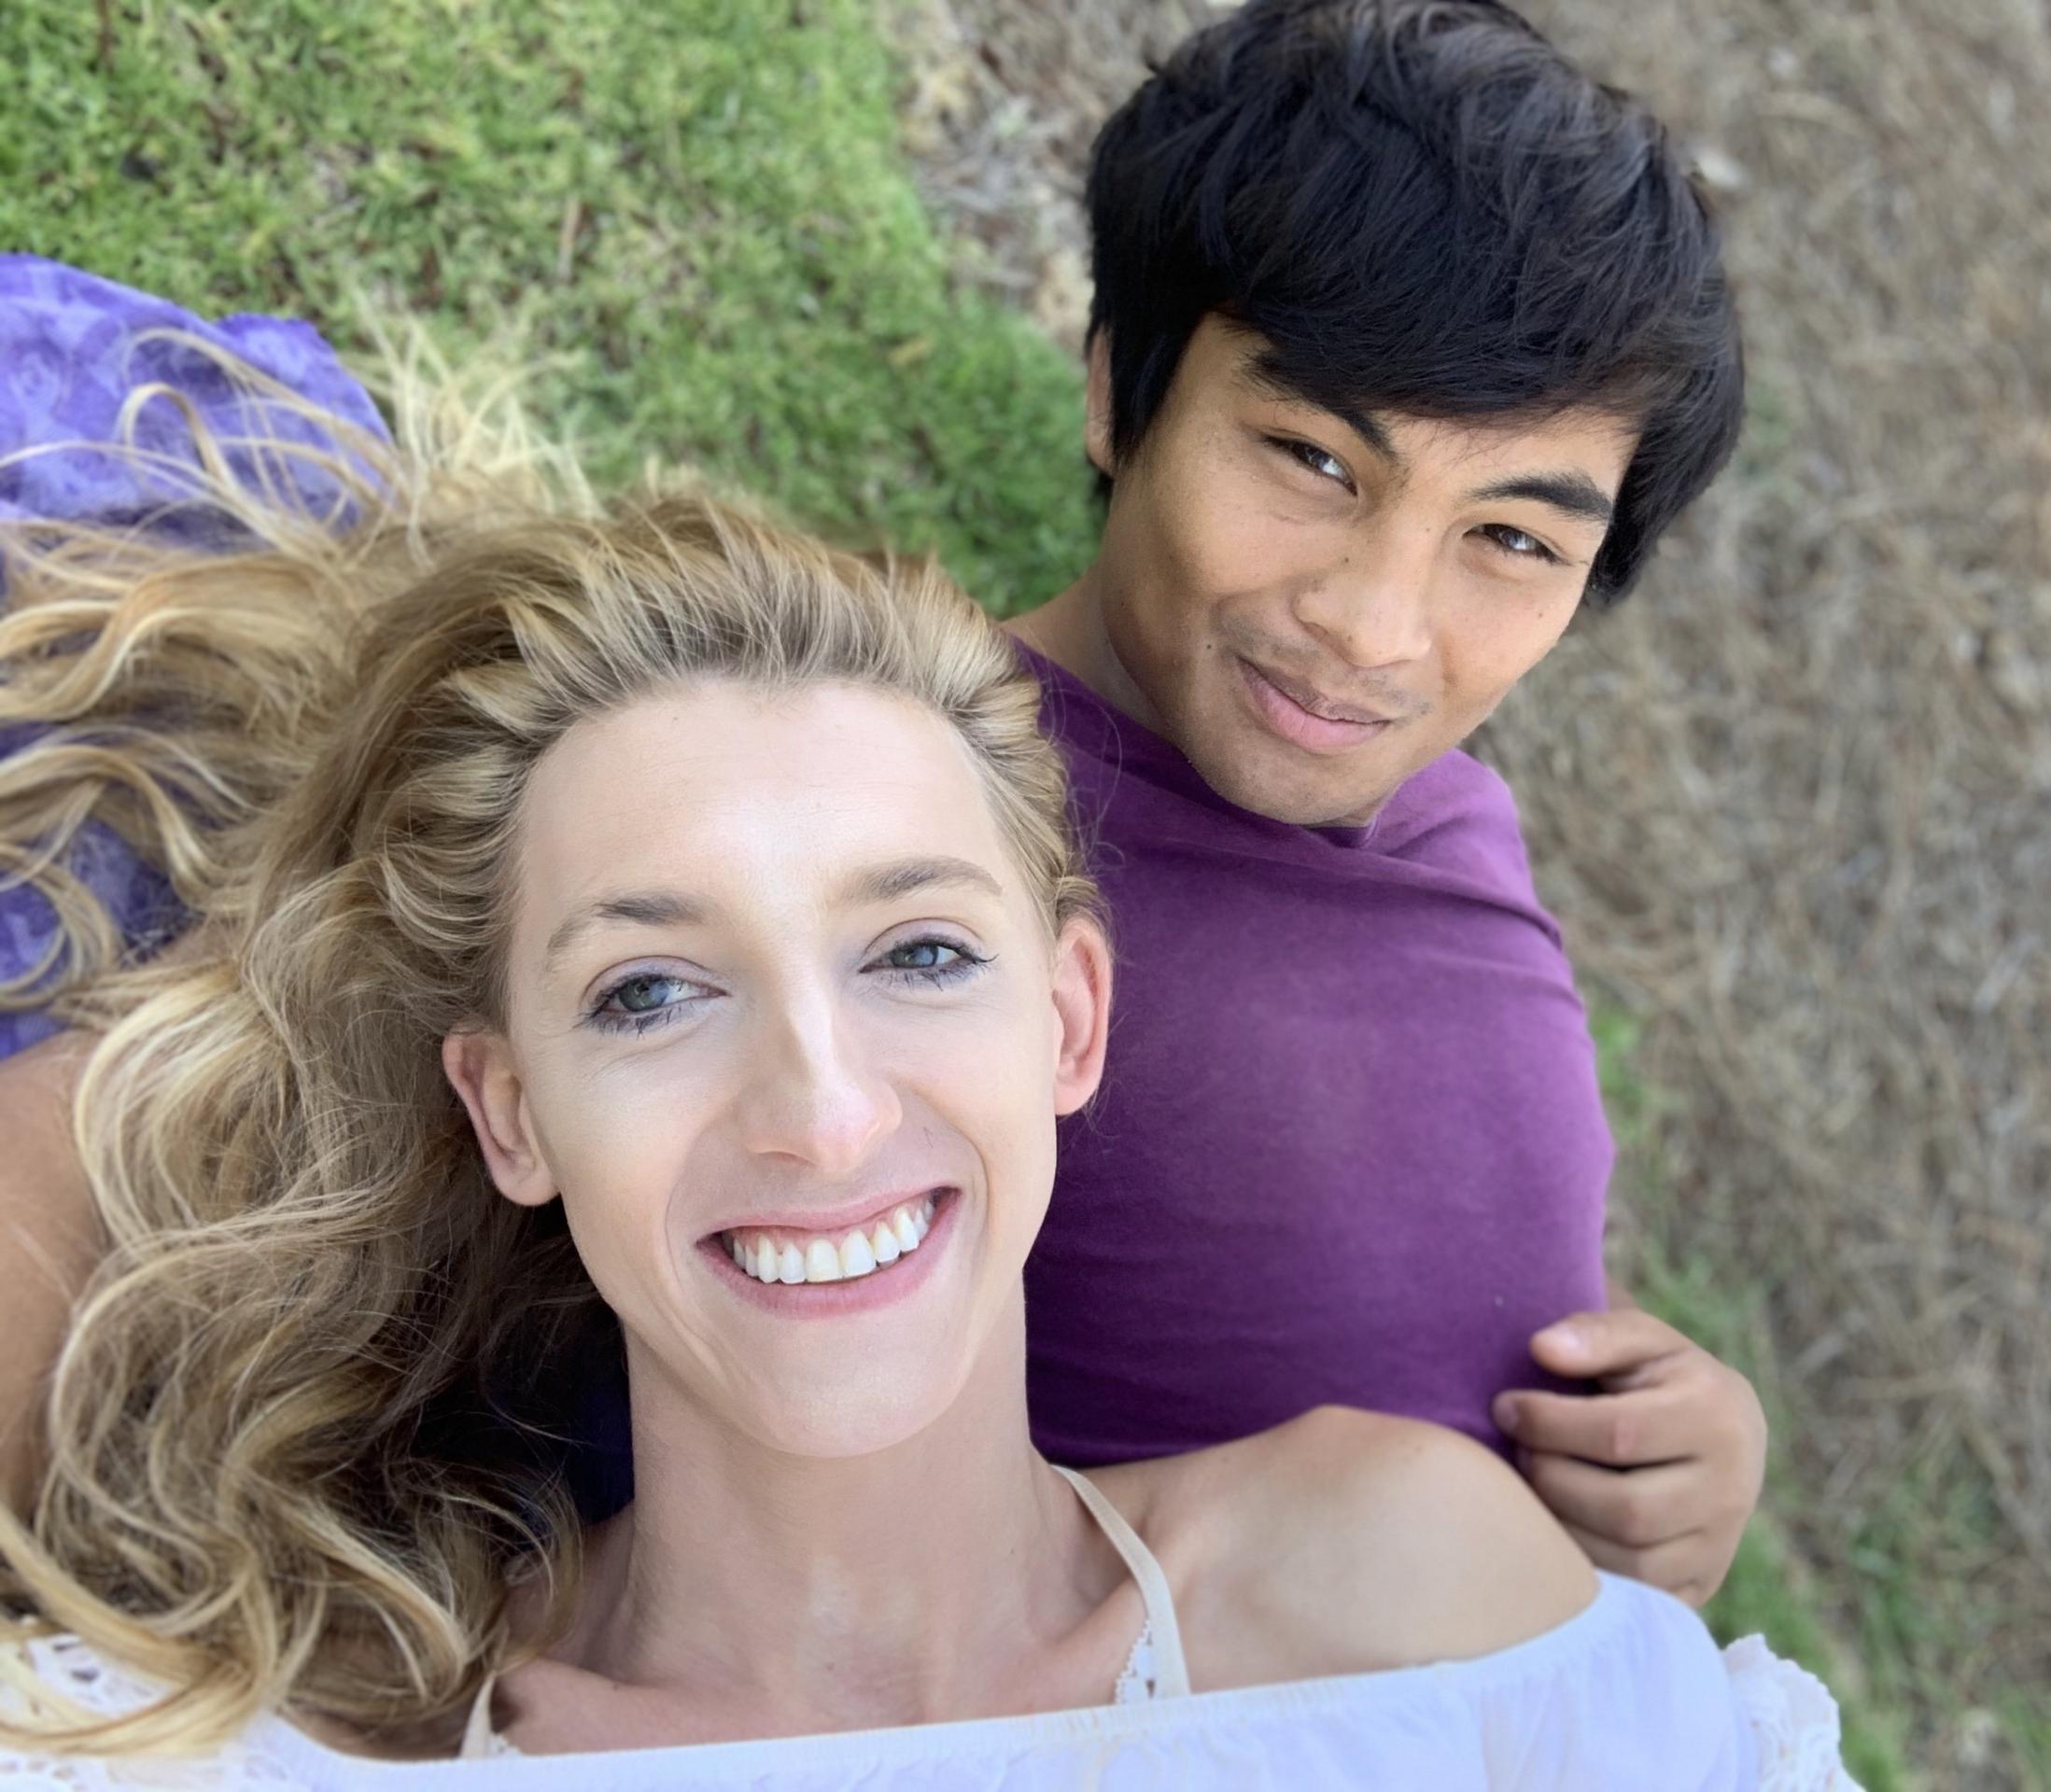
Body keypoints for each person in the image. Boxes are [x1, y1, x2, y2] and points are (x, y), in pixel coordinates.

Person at [3, 0, 1767, 1606]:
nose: (1379, 624)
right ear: (1113, 387)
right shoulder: (899, 804)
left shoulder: (1445, 821)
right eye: (1311, 460)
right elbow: (204, 1105)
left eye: (1511, 542)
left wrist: (1676, 1458)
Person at [0, 381, 1854, 1786]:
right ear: (509, 1114)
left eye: (916, 956)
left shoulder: (1406, 1604)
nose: (818, 1110)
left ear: (1065, 1021)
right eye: (649, 991)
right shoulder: (272, 1751)